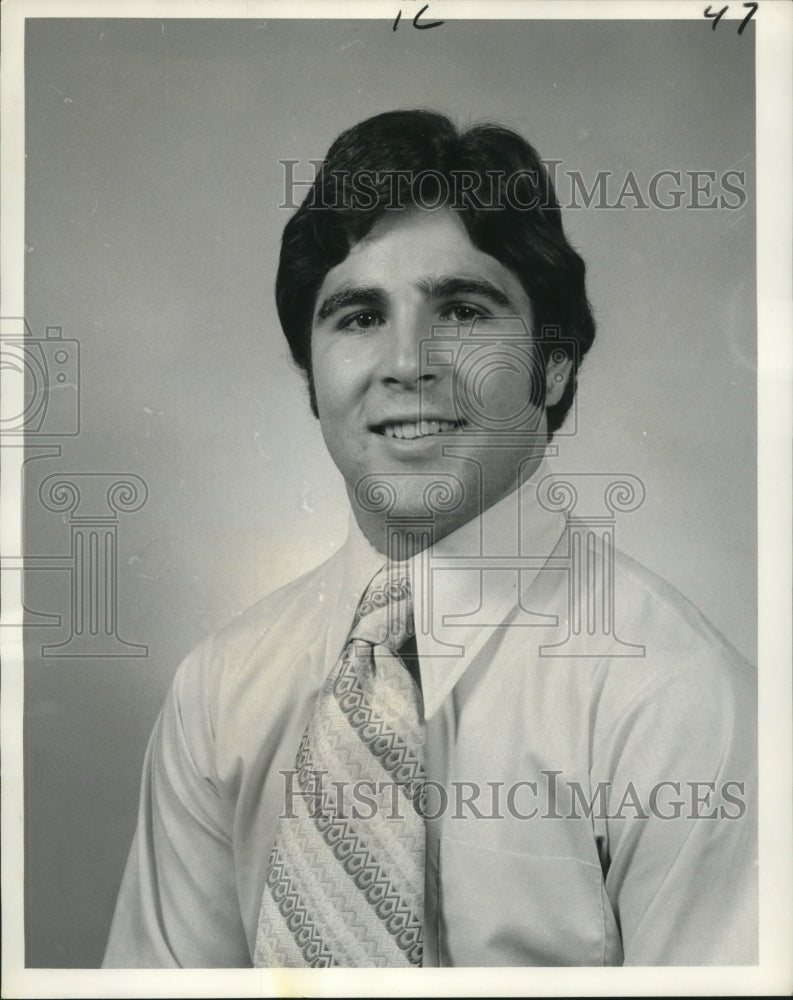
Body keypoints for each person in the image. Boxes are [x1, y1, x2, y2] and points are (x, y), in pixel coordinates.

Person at [102, 109, 757, 968]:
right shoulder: (219, 690)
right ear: (312, 374)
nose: (408, 362)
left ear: (552, 363)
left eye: (461, 310)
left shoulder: (679, 702)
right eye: (359, 317)